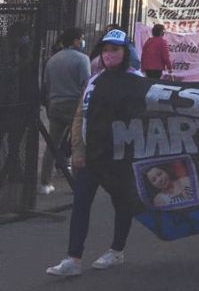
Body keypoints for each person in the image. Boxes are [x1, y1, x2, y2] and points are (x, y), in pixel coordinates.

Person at [46, 30, 143, 277]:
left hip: (119, 157)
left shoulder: (138, 80)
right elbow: (81, 114)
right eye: (106, 50)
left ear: (126, 52)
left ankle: (117, 249)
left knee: (122, 203)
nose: (110, 54)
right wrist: (78, 148)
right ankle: (73, 258)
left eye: (116, 50)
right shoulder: (94, 80)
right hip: (91, 155)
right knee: (81, 203)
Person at [39, 27, 89, 195]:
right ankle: (78, 183)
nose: (82, 41)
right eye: (81, 38)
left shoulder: (53, 60)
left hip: (55, 104)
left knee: (52, 144)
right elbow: (86, 85)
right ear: (75, 40)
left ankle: (45, 182)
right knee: (78, 145)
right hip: (74, 105)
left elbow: (46, 84)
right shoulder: (82, 59)